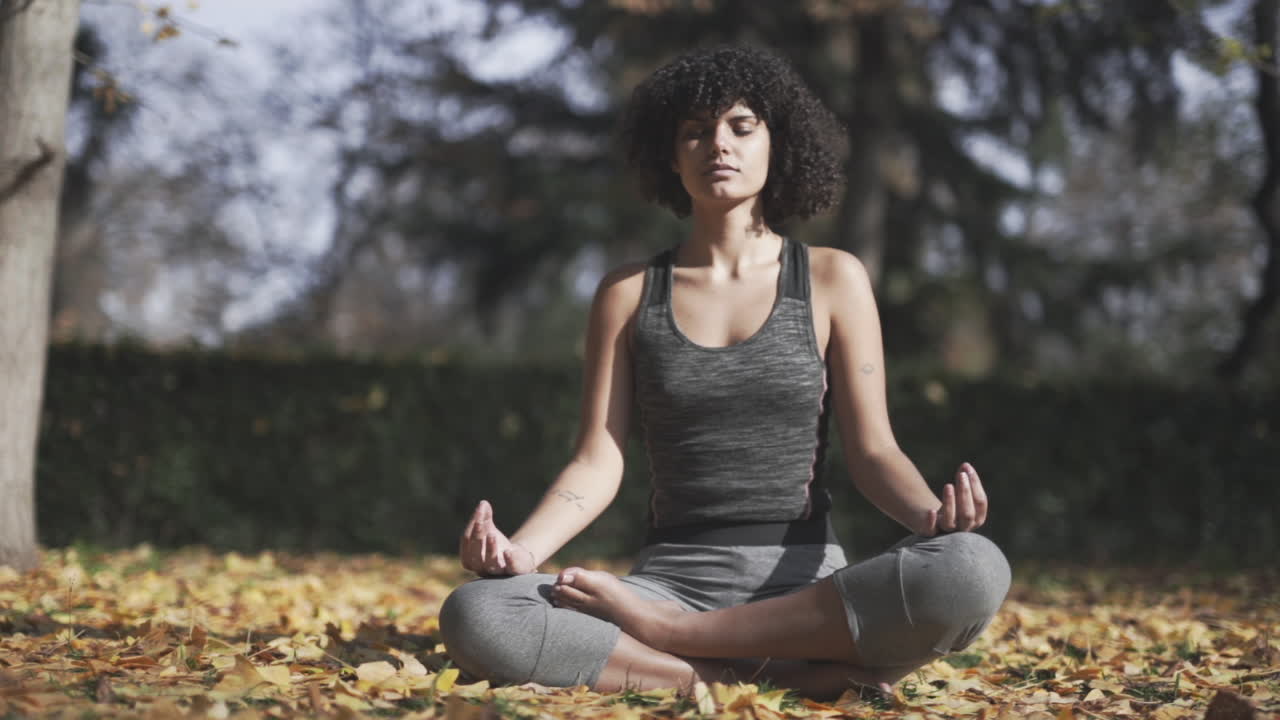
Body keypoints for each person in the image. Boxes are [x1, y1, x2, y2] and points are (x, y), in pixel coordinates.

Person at [438, 45, 1010, 699]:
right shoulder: (627, 293)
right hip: (668, 580)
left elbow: (874, 451)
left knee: (971, 567)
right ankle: (767, 678)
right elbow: (597, 458)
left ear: (777, 143)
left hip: (805, 591)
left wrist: (932, 518)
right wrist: (523, 552)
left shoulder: (831, 278)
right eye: (695, 131)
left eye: (741, 126)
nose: (719, 144)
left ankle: (684, 644)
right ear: (670, 153)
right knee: (478, 612)